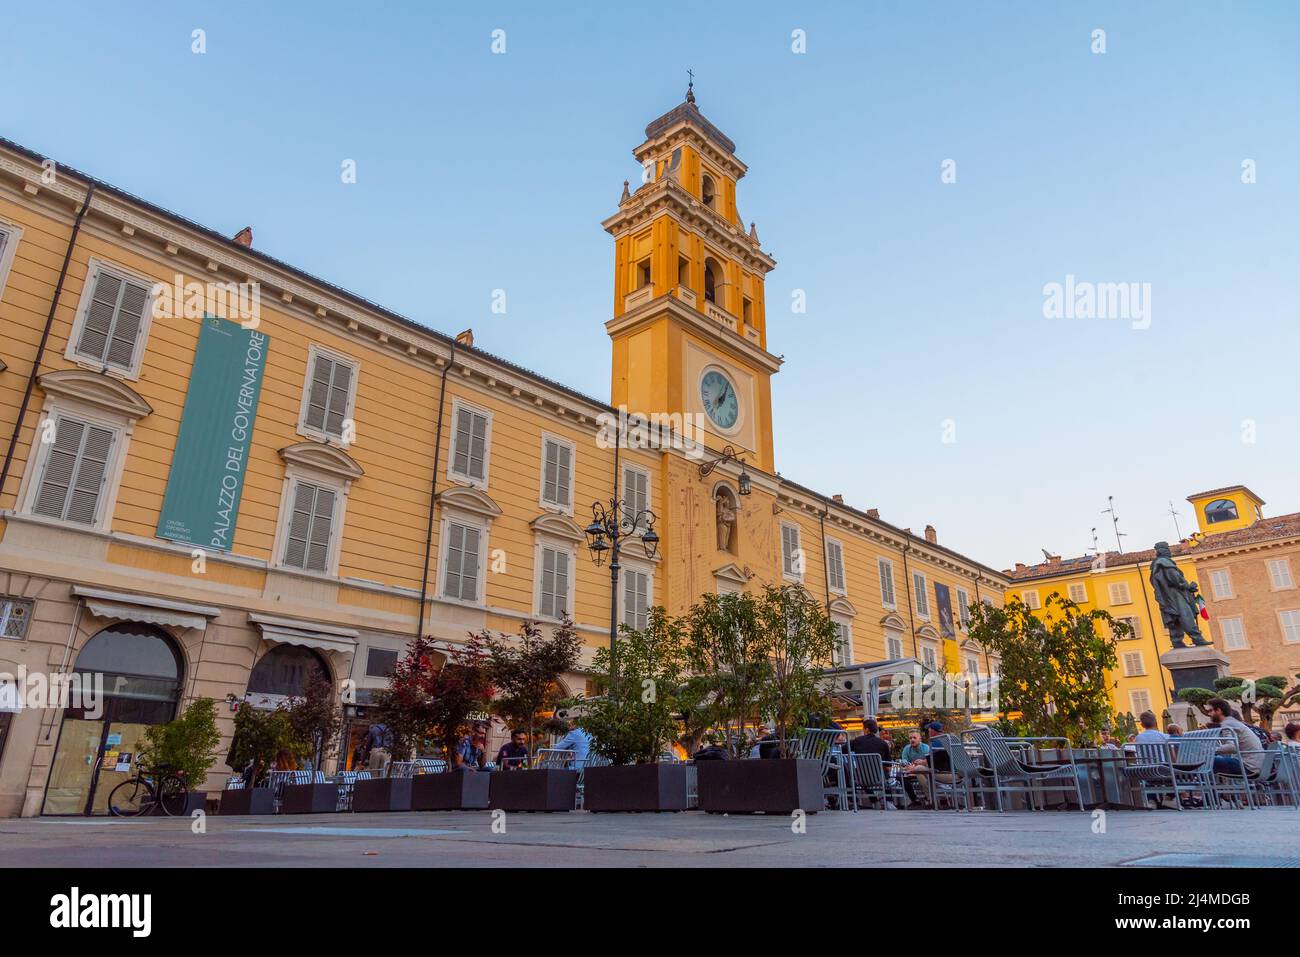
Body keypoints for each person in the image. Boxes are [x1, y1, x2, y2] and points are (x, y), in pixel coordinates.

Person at [1205, 697, 1264, 780]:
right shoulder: (1233, 722)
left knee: (1204, 760)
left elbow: (1232, 747)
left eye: (1210, 710)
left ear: (1219, 710)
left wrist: (1210, 750)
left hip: (1247, 767)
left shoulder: (1227, 724)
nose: (1209, 714)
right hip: (1256, 766)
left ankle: (1206, 791)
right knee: (1209, 761)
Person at [899, 729, 931, 807]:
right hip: (910, 771)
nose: (912, 740)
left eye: (914, 738)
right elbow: (904, 762)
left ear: (920, 739)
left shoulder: (926, 748)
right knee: (900, 776)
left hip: (923, 771)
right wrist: (906, 765)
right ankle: (914, 799)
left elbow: (929, 763)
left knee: (920, 774)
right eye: (910, 738)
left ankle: (928, 798)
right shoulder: (907, 748)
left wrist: (914, 768)